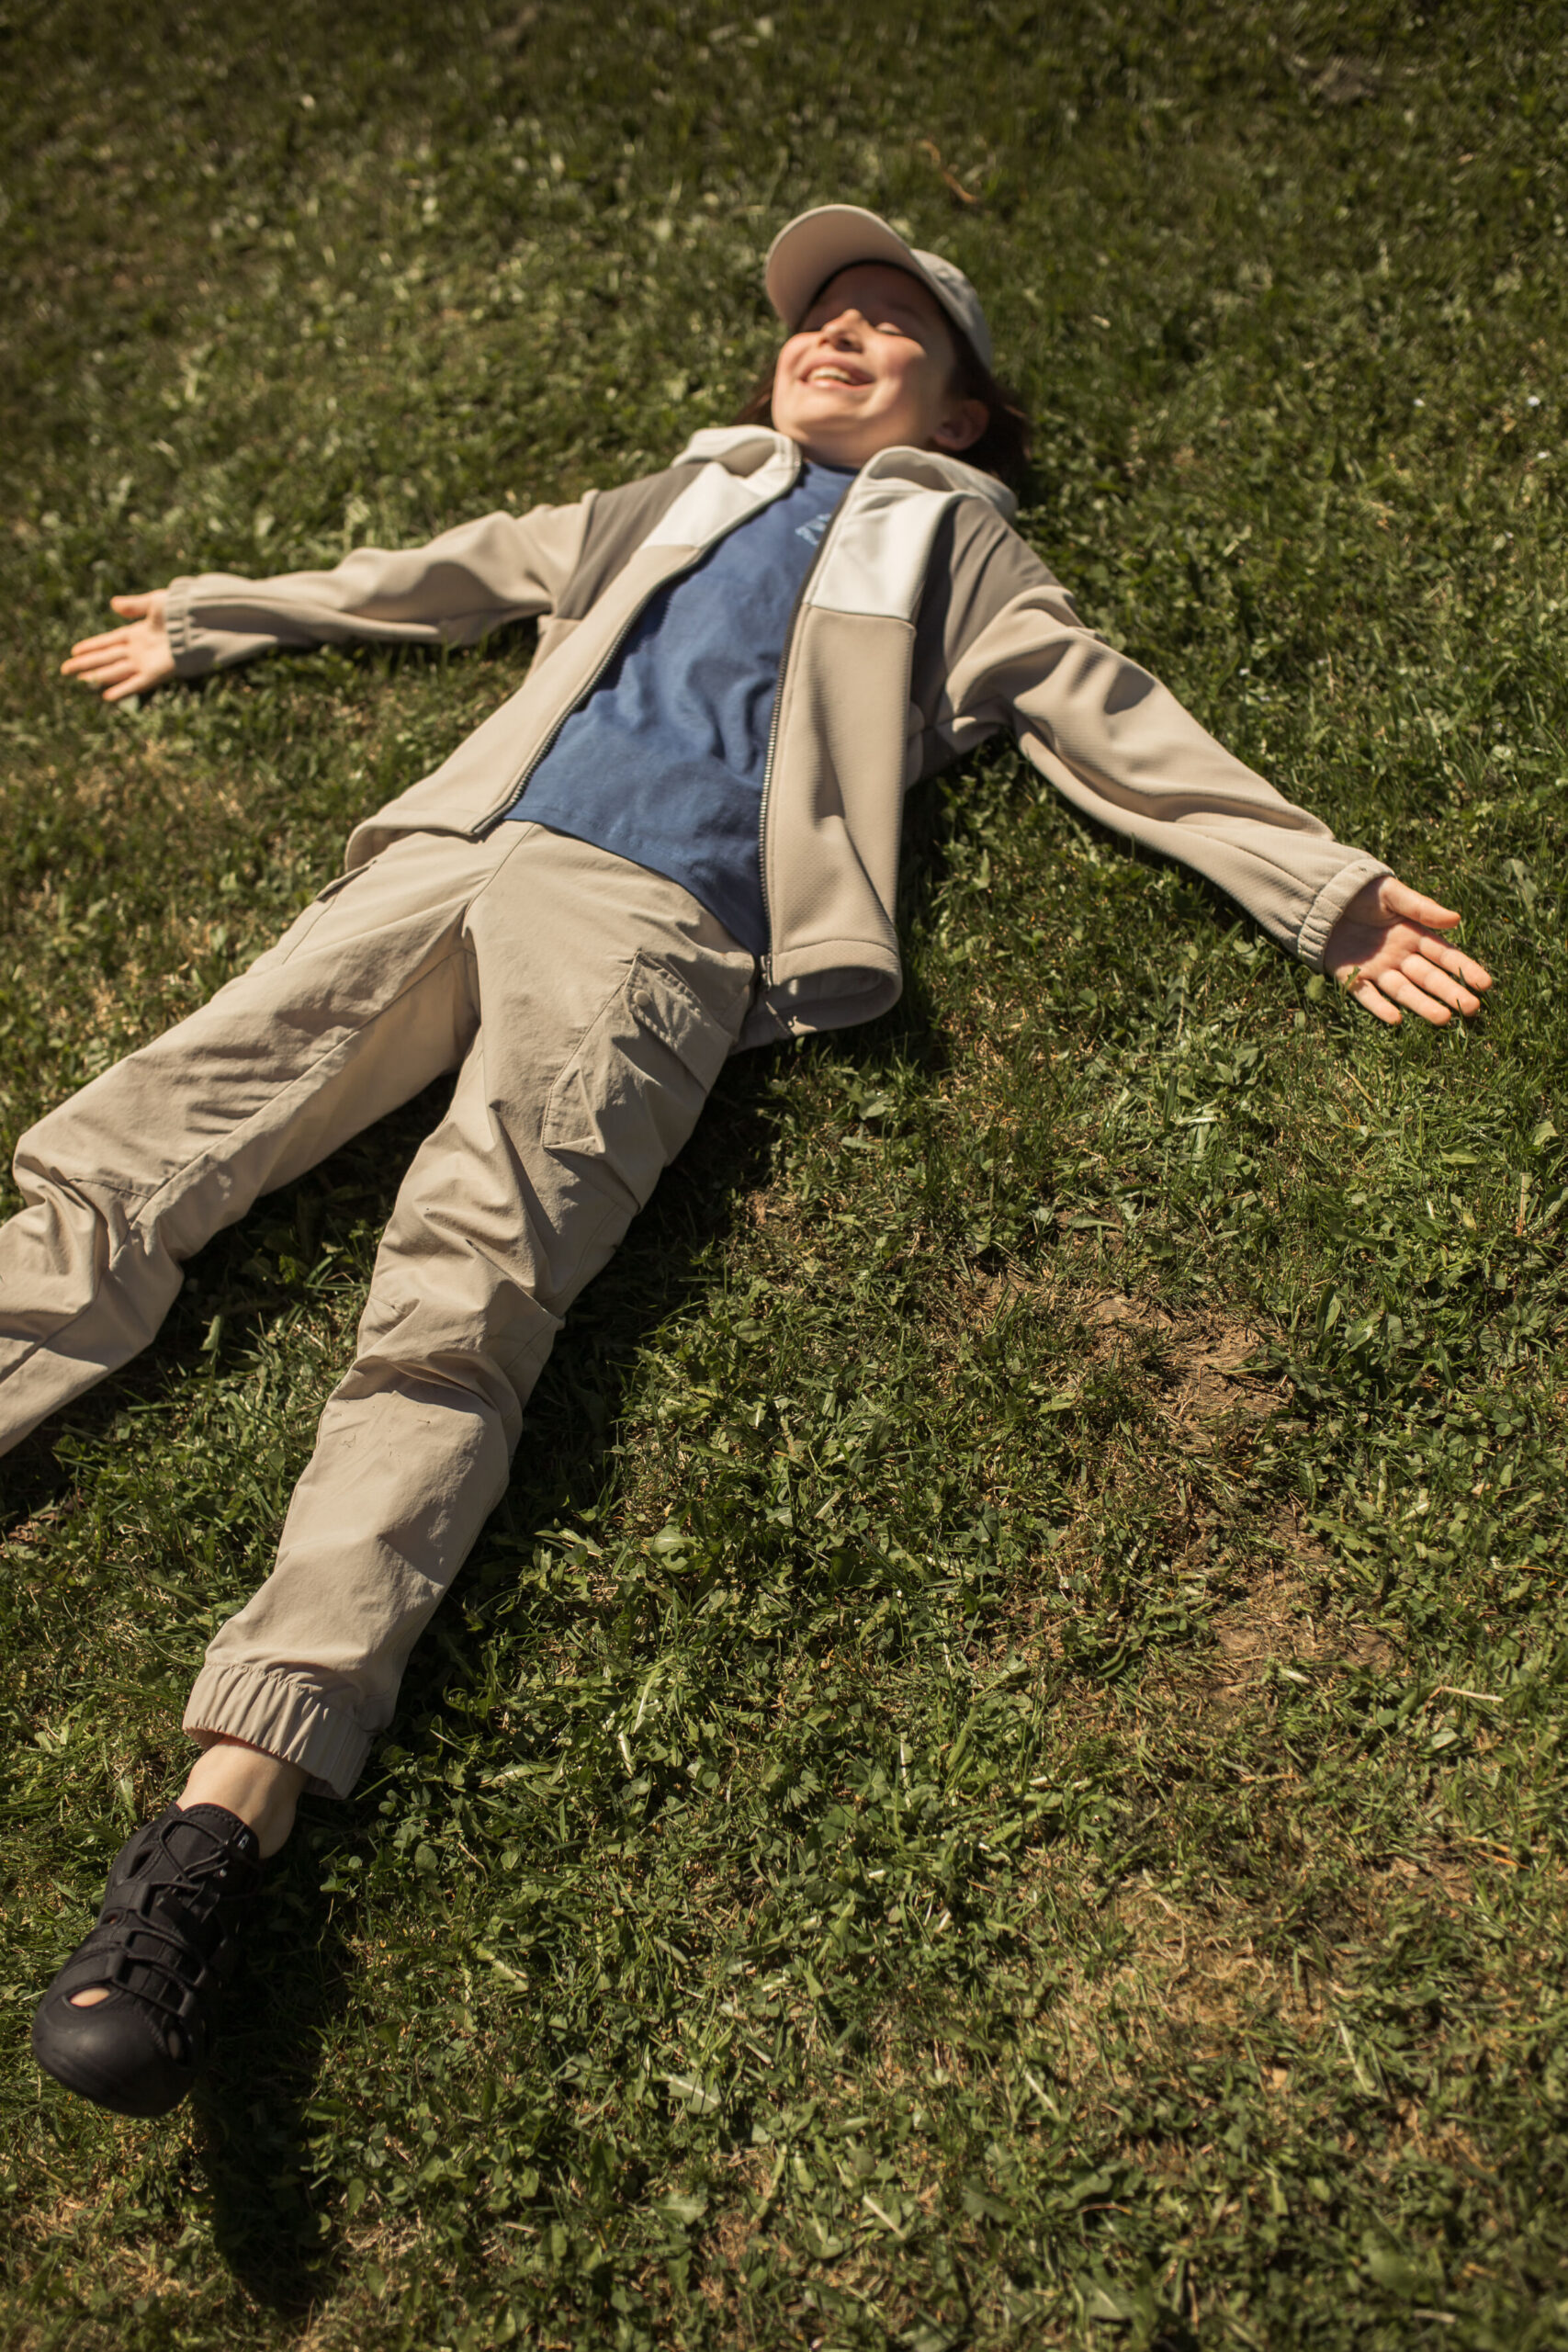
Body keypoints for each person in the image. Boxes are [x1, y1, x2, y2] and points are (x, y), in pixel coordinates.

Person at [14, 206, 1492, 2119]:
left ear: (960, 413)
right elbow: (454, 572)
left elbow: (1104, 713)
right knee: (118, 1158)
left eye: (889, 325)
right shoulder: (680, 488)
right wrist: (226, 610)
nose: (836, 334)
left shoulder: (954, 542)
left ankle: (223, 1815)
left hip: (653, 932)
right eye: (818, 314)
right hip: (441, 858)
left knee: (456, 1316)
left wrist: (1320, 890)